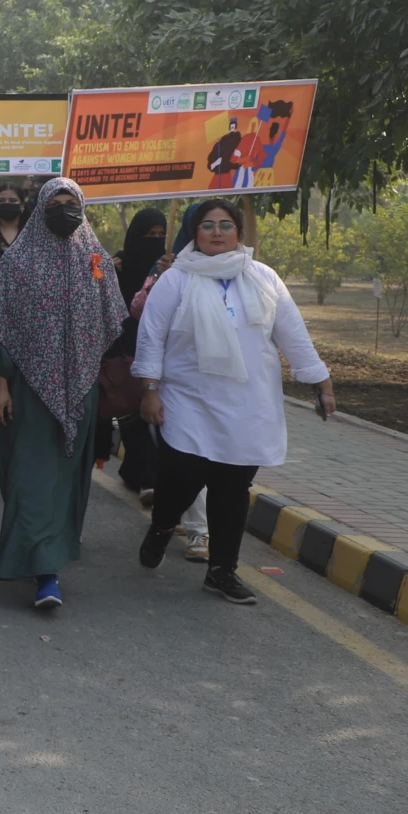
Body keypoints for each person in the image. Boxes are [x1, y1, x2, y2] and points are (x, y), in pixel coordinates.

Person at [134, 198, 334, 605]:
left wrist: (320, 382)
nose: (217, 233)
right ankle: (162, 525)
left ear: (238, 233)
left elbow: (292, 335)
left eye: (226, 225)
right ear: (195, 233)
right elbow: (151, 335)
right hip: (189, 398)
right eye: (207, 225)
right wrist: (150, 388)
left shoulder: (264, 278)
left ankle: (222, 571)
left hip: (248, 401)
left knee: (232, 487)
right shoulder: (177, 279)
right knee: (182, 477)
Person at [0, 179, 127, 610]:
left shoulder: (96, 259)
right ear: (41, 208)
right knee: (31, 478)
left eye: (72, 203)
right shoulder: (17, 263)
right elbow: (0, 328)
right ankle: (43, 571)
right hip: (28, 390)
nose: (64, 209)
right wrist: (0, 383)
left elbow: (113, 322)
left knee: (65, 481)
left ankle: (48, 563)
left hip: (79, 390)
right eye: (56, 203)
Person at [112, 209, 171, 499]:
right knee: (131, 416)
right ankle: (144, 477)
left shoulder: (168, 267)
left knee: (153, 415)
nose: (156, 241)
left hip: (156, 346)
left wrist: (164, 274)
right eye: (150, 236)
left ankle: (146, 475)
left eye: (162, 235)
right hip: (123, 347)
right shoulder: (119, 263)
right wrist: (108, 272)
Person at [0, 184, 26, 254]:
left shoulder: (31, 232)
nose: (6, 203)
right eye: (1, 201)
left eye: (12, 200)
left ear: (22, 205)